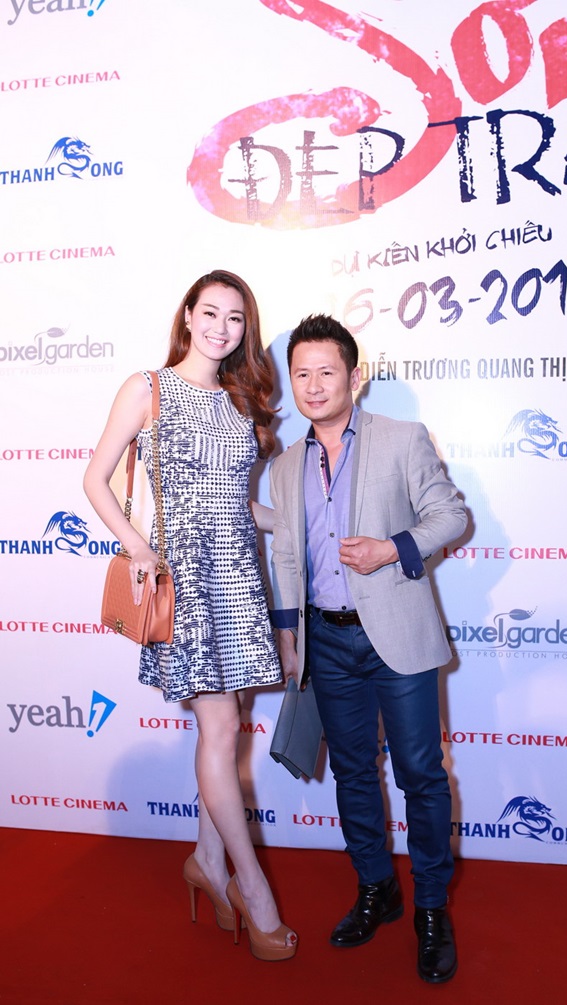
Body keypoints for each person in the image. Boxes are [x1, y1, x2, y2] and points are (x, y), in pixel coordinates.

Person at [84, 269, 297, 962]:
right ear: (187, 316)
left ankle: (206, 859)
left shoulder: (240, 401)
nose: (221, 328)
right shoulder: (146, 388)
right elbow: (95, 478)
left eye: (235, 318)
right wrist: (137, 545)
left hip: (239, 580)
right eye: (210, 312)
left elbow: (239, 504)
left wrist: (299, 523)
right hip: (187, 584)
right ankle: (253, 890)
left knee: (223, 735)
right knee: (222, 728)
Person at [269, 314, 466, 983]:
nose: (314, 385)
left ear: (355, 377)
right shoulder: (286, 464)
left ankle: (431, 908)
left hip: (397, 637)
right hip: (325, 641)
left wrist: (391, 548)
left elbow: (451, 514)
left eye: (327, 371)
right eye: (301, 373)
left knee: (420, 774)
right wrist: (289, 635)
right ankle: (377, 887)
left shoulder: (403, 438)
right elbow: (287, 552)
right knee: (353, 772)